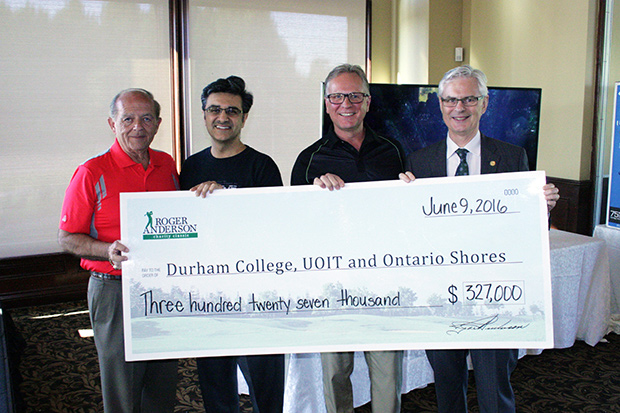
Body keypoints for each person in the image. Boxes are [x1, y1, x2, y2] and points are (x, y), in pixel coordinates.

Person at [400, 65, 560, 413]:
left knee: (494, 390)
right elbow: (411, 235)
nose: (460, 108)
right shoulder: (418, 163)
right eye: (451, 100)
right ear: (440, 104)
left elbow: (527, 233)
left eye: (469, 99)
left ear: (484, 104)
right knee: (446, 387)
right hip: (439, 295)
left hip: (494, 296)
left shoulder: (512, 158)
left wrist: (541, 210)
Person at [291, 64, 406, 413]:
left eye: (355, 95)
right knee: (335, 374)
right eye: (337, 96)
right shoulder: (308, 160)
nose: (347, 103)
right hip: (332, 282)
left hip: (384, 278)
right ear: (327, 104)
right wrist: (315, 195)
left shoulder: (393, 151)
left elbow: (406, 216)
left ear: (368, 102)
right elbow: (295, 226)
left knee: (387, 373)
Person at [58, 88, 180, 412]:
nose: (137, 126)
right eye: (128, 118)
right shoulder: (91, 172)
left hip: (162, 289)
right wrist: (105, 250)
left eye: (146, 118)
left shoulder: (167, 165)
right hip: (114, 291)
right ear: (113, 124)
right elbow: (68, 237)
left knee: (162, 382)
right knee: (122, 388)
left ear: (157, 124)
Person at [180, 76, 285, 413]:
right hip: (209, 292)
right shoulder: (191, 166)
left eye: (231, 111)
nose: (222, 117)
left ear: (244, 117)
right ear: (204, 114)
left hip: (256, 292)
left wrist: (228, 204)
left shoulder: (263, 166)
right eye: (214, 110)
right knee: (215, 385)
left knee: (265, 386)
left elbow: (275, 230)